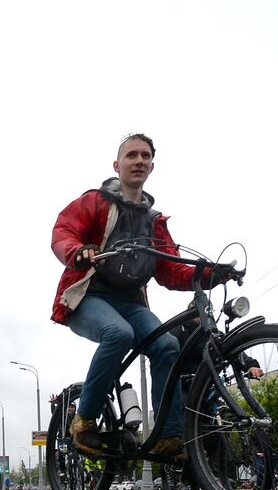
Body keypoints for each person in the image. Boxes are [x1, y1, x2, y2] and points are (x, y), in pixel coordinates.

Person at [51, 133, 240, 459]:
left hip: (131, 304)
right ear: (117, 165)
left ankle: (169, 437)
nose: (139, 161)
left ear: (152, 166)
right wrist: (77, 251)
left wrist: (213, 274)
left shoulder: (154, 222)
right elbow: (63, 232)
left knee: (168, 345)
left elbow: (170, 271)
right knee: (118, 334)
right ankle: (84, 421)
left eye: (145, 156)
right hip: (87, 297)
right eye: (131, 155)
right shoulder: (95, 202)